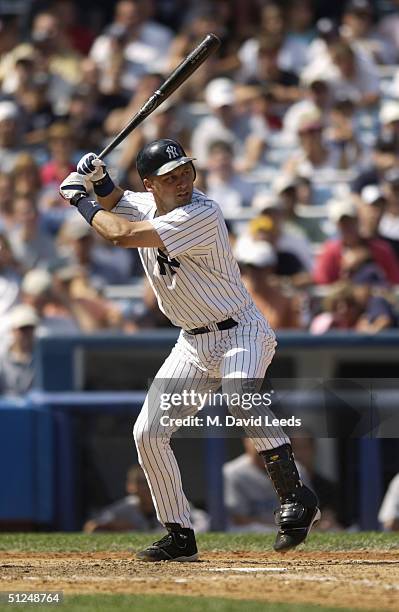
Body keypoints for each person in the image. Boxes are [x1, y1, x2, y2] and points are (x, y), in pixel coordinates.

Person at [59, 138, 320, 561]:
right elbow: (120, 202)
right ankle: (179, 532)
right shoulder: (145, 203)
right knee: (148, 432)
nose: (182, 182)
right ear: (151, 184)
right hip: (193, 343)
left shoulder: (202, 212)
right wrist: (99, 177)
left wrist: (79, 199)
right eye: (170, 177)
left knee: (241, 397)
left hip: (241, 332)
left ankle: (295, 496)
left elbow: (120, 235)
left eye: (185, 172)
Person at [83, 464, 209, 533]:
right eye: (141, 482)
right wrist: (113, 527)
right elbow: (91, 526)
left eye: (151, 482)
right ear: (130, 486)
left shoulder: (172, 502)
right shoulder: (125, 507)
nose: (147, 487)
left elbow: (203, 521)